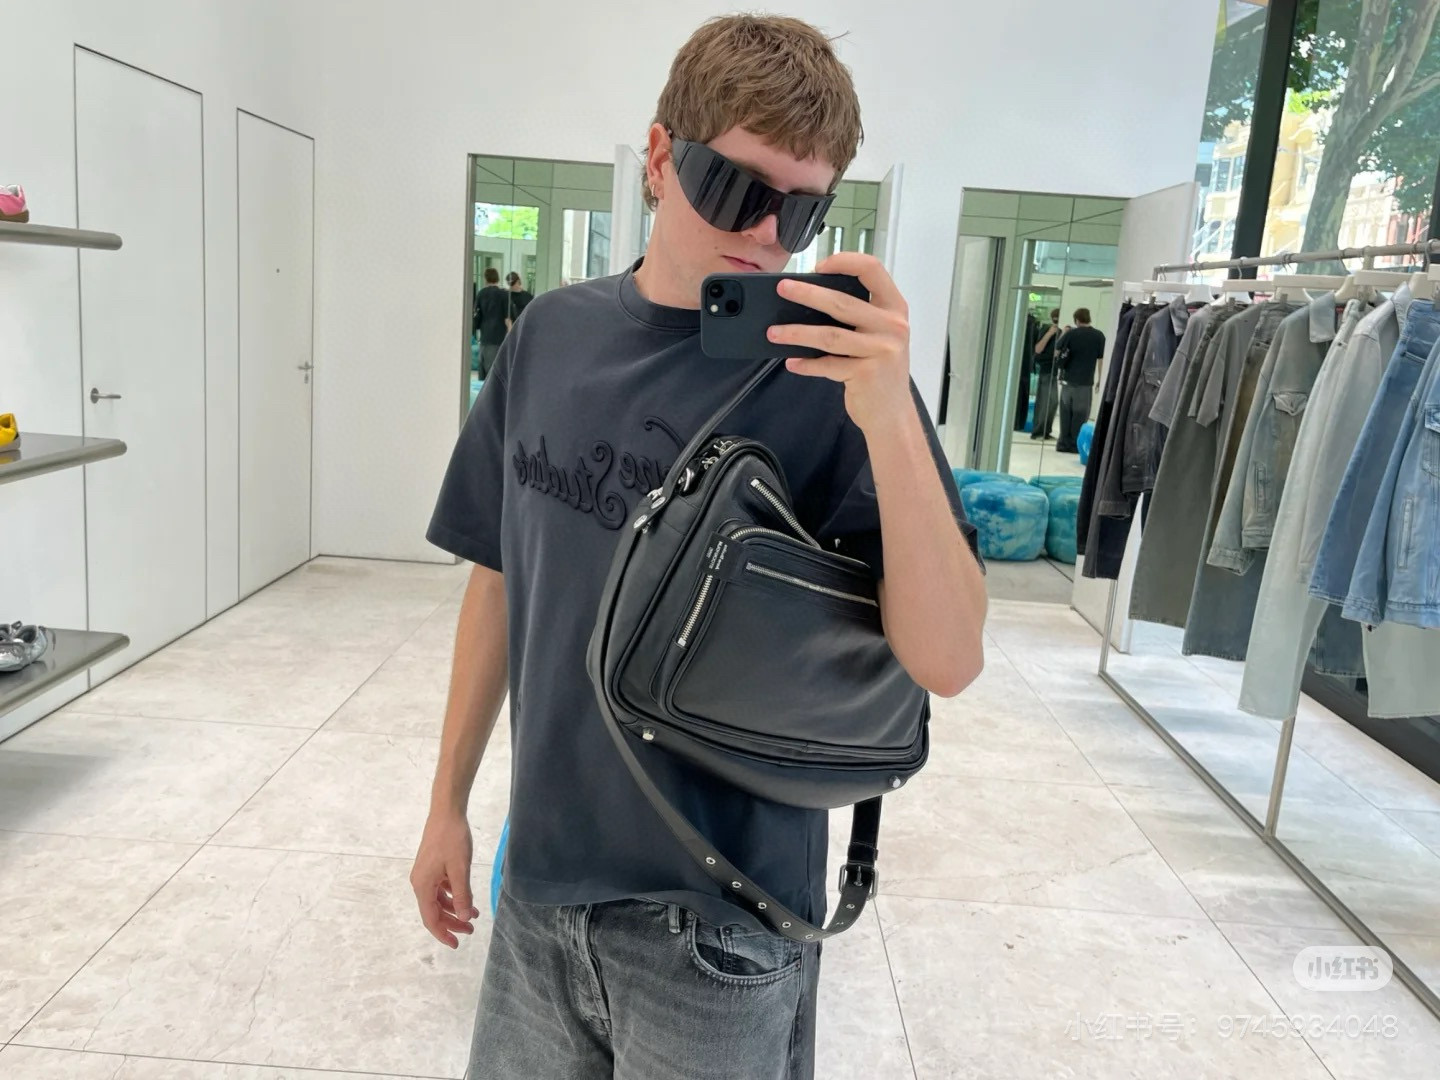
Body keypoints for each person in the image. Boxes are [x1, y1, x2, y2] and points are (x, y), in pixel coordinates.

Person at [414, 14, 987, 1079]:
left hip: (726, 928)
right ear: (661, 157)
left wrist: (891, 419)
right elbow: (501, 575)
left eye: (801, 208)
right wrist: (447, 803)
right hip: (540, 886)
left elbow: (948, 661)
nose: (767, 234)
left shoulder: (836, 381)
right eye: (734, 187)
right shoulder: (549, 336)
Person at [1053, 307, 1106, 453]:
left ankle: (1063, 443)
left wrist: (1064, 333)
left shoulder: (1071, 334)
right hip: (1085, 382)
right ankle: (1076, 445)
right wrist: (1100, 380)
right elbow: (1101, 359)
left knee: (1065, 413)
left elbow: (1057, 351)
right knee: (1081, 415)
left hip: (1068, 381)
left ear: (1076, 320)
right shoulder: (1098, 336)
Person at [1029, 307, 1061, 441]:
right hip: (1046, 370)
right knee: (1045, 402)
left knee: (1052, 403)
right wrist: (1049, 334)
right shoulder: (1047, 329)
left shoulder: (1063, 332)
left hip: (1056, 372)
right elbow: (1038, 349)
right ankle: (1038, 431)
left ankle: (1045, 431)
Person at [473, 267, 509, 378]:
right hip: (498, 337)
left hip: (484, 337)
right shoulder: (504, 294)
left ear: (485, 278)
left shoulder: (481, 294)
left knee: (483, 367)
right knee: (494, 370)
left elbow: (477, 315)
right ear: (497, 278)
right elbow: (507, 319)